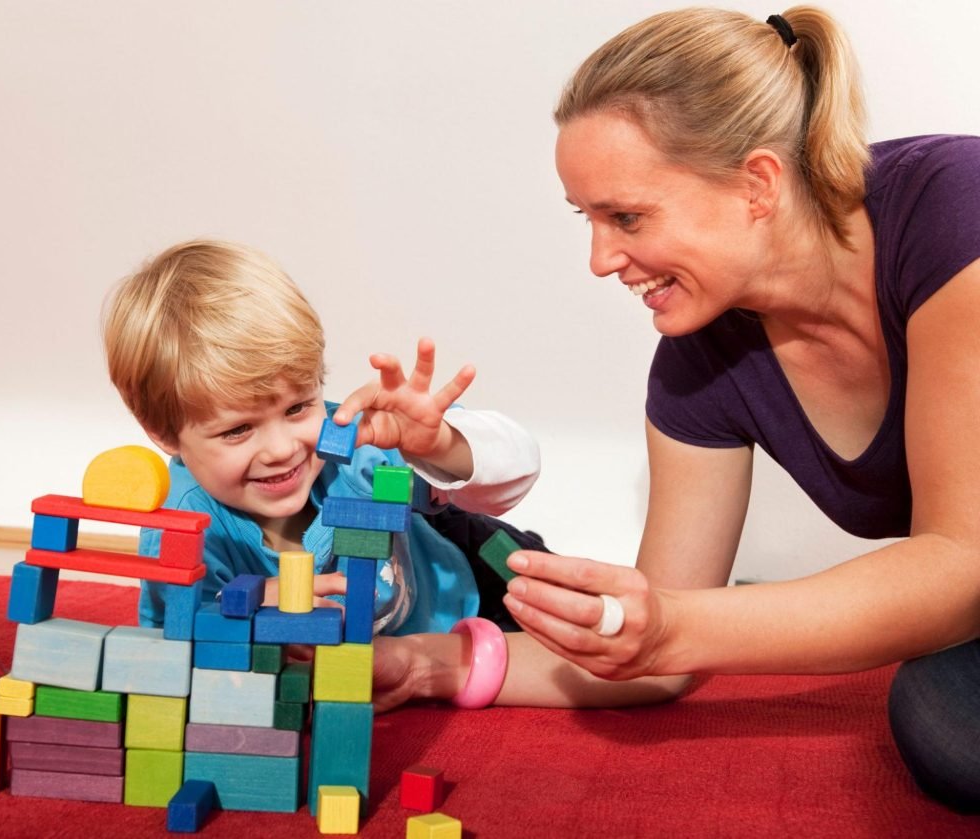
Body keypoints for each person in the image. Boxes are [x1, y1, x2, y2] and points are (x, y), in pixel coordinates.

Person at [370, 6, 980, 813]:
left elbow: (960, 563)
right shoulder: (698, 364)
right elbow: (656, 649)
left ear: (756, 183)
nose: (599, 259)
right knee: (945, 726)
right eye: (585, 219)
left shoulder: (954, 214)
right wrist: (421, 661)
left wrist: (676, 625)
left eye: (626, 216)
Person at [102, 239, 545, 636]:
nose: (282, 449)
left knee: (566, 600)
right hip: (385, 663)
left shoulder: (360, 442)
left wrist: (438, 445)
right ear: (164, 432)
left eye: (297, 408)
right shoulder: (184, 527)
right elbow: (174, 637)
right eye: (238, 429)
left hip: (464, 576)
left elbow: (518, 467)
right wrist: (244, 602)